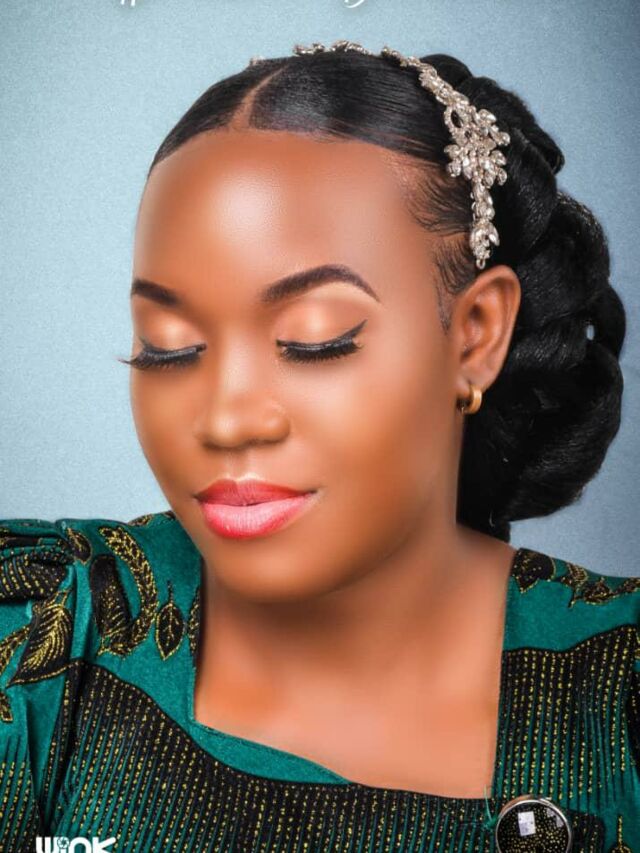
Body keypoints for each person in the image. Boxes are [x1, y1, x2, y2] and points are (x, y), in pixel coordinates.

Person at [1, 41, 638, 853]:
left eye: (314, 338)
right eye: (168, 345)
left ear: (476, 335)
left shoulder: (617, 694)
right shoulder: (42, 635)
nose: (226, 419)